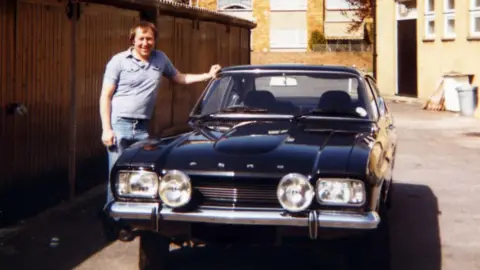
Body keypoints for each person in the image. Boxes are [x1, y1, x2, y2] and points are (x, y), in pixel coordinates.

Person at [99, 21, 221, 204]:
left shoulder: (160, 59)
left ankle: (134, 221)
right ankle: (113, 222)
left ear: (154, 40)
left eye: (149, 39)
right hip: (120, 125)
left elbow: (180, 77)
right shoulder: (119, 61)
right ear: (132, 40)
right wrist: (106, 129)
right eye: (141, 39)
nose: (145, 43)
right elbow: (105, 96)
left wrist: (208, 75)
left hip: (142, 127)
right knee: (116, 175)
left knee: (141, 176)